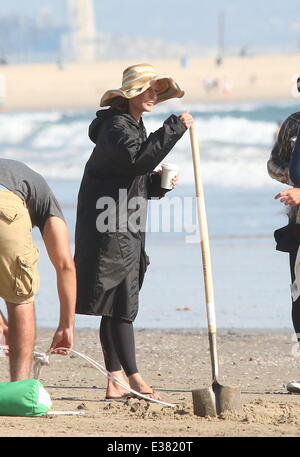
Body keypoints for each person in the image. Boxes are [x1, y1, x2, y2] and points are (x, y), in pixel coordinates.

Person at [74, 63, 193, 400]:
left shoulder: (131, 126)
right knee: (123, 303)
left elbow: (130, 175)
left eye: (157, 90)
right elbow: (136, 161)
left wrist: (158, 185)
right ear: (130, 95)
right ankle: (136, 380)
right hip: (109, 227)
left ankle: (114, 381)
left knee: (117, 304)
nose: (154, 95)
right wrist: (175, 127)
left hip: (123, 224)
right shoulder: (116, 127)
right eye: (147, 89)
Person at [0, 159, 76, 381]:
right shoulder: (48, 204)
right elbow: (65, 265)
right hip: (6, 202)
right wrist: (66, 325)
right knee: (20, 299)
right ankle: (19, 386)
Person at [268, 111, 300, 392]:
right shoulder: (294, 122)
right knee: (298, 295)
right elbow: (273, 163)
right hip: (297, 223)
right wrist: (290, 176)